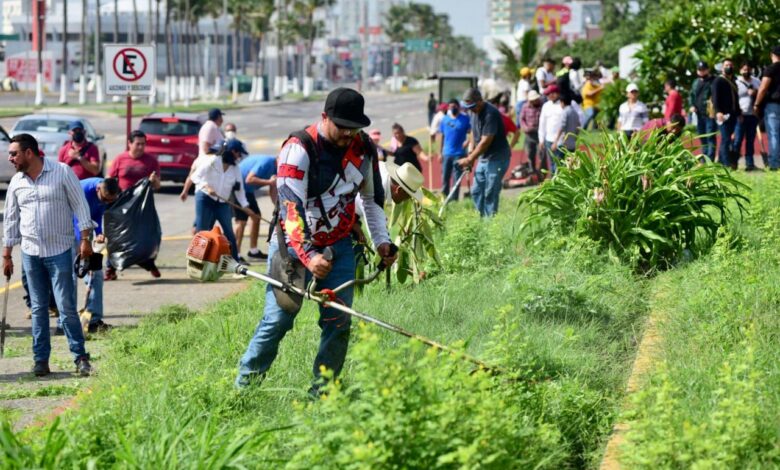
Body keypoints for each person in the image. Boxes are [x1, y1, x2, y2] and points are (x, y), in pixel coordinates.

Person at [235, 88, 396, 394]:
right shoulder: (299, 149)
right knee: (278, 319)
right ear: (325, 118)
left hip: (339, 246)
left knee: (338, 323)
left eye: (354, 127)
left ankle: (323, 395)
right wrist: (309, 256)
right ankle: (244, 389)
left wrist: (382, 242)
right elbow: (290, 209)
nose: (348, 133)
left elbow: (372, 200)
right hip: (293, 249)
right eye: (342, 126)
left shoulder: (364, 150)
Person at [3, 133, 94, 377]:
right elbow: (11, 219)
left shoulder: (62, 172)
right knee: (38, 308)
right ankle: (40, 359)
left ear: (29, 153)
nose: (10, 158)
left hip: (60, 252)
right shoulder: (16, 182)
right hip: (31, 254)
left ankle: (80, 357)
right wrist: (7, 254)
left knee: (66, 308)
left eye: (14, 153)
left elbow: (80, 206)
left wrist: (85, 239)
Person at [106, 130, 162, 280]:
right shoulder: (120, 159)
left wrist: (154, 179)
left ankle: (149, 263)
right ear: (129, 143)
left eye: (143, 144)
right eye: (137, 144)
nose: (141, 147)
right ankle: (111, 268)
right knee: (116, 237)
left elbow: (157, 186)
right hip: (122, 206)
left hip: (142, 207)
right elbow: (109, 180)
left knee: (147, 236)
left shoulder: (151, 161)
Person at [191, 138, 256, 261]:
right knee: (202, 230)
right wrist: (206, 186)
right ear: (231, 151)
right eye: (238, 153)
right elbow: (195, 177)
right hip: (205, 199)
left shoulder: (235, 168)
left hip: (222, 203)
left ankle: (235, 261)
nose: (239, 156)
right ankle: (198, 260)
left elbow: (239, 190)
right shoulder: (213, 161)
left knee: (229, 232)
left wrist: (246, 207)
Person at [72, 176, 120, 333]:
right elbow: (75, 219)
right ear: (99, 189)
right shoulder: (83, 191)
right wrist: (82, 244)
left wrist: (99, 233)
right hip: (69, 233)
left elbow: (98, 214)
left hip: (86, 234)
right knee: (70, 278)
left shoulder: (105, 192)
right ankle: (67, 321)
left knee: (96, 274)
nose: (107, 203)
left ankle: (94, 320)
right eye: (105, 199)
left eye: (110, 201)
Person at [456, 87, 511, 217]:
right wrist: (470, 155)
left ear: (480, 101)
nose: (471, 109)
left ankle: (490, 224)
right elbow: (473, 135)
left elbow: (485, 142)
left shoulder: (490, 113)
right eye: (468, 107)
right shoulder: (473, 112)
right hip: (484, 158)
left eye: (473, 106)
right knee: (476, 191)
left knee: (490, 192)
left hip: (497, 158)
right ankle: (479, 219)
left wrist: (470, 159)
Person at [235, 154, 277, 261]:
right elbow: (249, 179)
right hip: (238, 188)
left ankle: (253, 251)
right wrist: (269, 181)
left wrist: (277, 208)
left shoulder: (278, 169)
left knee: (256, 217)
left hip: (247, 191)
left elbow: (273, 188)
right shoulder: (267, 161)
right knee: (241, 221)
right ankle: (236, 254)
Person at [711, 58, 742, 168]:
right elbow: (715, 98)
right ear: (722, 67)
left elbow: (736, 100)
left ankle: (720, 161)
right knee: (726, 138)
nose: (729, 67)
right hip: (722, 115)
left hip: (732, 115)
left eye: (731, 65)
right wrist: (718, 111)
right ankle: (726, 164)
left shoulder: (733, 81)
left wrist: (739, 113)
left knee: (729, 138)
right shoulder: (718, 81)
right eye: (726, 65)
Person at [438, 99, 471, 200]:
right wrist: (440, 152)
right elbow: (441, 136)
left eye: (454, 106)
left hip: (459, 153)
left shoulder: (465, 119)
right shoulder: (445, 120)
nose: (452, 108)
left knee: (456, 179)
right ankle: (444, 199)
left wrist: (468, 141)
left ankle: (454, 200)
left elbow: (472, 133)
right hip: (447, 153)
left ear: (458, 106)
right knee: (445, 178)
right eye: (450, 106)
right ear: (448, 108)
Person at [754, 45, 780, 170]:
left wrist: (757, 104)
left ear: (772, 55)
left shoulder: (770, 69)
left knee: (774, 134)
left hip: (773, 105)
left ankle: (774, 163)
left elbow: (763, 88)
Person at [734, 62, 761, 171]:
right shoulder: (736, 82)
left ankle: (750, 164)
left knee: (750, 141)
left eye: (748, 69)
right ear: (740, 70)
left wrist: (755, 92)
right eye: (744, 69)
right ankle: (734, 163)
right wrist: (737, 113)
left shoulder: (756, 81)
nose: (746, 71)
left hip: (753, 115)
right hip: (741, 115)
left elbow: (762, 94)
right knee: (738, 140)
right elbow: (734, 99)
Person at [689, 61, 717, 161]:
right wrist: (692, 105)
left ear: (708, 70)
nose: (701, 71)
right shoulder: (696, 82)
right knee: (702, 137)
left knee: (710, 137)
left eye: (703, 69)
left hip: (709, 113)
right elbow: (691, 95)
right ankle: (704, 158)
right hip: (698, 114)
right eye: (699, 70)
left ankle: (710, 159)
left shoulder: (713, 81)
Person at [538, 84, 563, 173]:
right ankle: (555, 183)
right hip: (549, 139)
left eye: (552, 93)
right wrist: (541, 140)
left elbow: (579, 117)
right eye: (548, 94)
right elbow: (542, 124)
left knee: (560, 164)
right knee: (552, 163)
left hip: (562, 140)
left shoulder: (563, 104)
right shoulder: (546, 106)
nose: (549, 96)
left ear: (557, 93)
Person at [550, 94, 581, 161]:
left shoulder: (565, 112)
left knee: (560, 162)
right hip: (572, 143)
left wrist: (555, 141)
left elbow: (562, 127)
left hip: (563, 143)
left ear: (562, 102)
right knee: (571, 164)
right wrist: (575, 137)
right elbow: (578, 126)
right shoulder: (575, 112)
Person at [520, 90, 542, 170]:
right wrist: (526, 128)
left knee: (541, 154)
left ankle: (541, 172)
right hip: (529, 134)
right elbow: (522, 119)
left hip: (539, 133)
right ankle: (532, 170)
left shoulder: (542, 105)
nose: (535, 101)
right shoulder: (525, 106)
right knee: (530, 153)